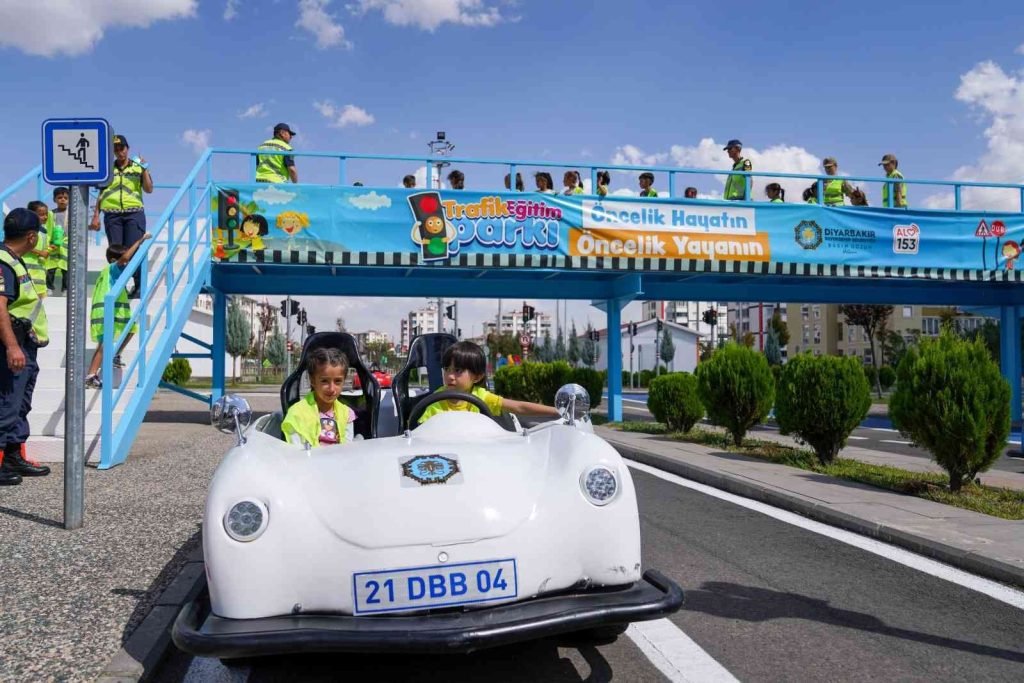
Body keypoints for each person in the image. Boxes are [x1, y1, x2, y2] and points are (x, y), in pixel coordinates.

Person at [0, 209, 51, 484]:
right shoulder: (4, 262)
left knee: (19, 405)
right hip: (13, 346)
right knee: (6, 405)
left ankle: (12, 457)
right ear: (31, 237)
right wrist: (12, 347)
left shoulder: (14, 260)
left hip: (26, 344)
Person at [418, 341, 560, 424]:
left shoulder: (482, 397)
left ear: (477, 377)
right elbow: (420, 434)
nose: (450, 376)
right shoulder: (433, 402)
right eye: (447, 369)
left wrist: (558, 412)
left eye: (458, 370)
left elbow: (519, 407)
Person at [85, 234, 151, 388]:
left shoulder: (111, 273)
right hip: (108, 312)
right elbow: (125, 259)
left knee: (131, 329)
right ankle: (91, 374)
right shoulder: (114, 269)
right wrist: (139, 241)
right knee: (105, 344)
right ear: (115, 260)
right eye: (124, 260)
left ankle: (114, 355)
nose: (127, 264)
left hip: (115, 312)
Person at [90, 134, 153, 297]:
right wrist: (96, 216)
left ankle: (138, 285)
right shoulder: (107, 170)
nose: (119, 152)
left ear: (127, 148)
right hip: (112, 215)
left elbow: (149, 189)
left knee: (135, 249)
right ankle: (119, 285)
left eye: (122, 148)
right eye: (116, 149)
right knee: (115, 251)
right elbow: (101, 194)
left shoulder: (137, 167)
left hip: (134, 213)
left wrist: (145, 168)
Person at [281, 347, 355, 447]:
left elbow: (347, 449)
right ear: (312, 380)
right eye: (324, 381)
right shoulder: (296, 414)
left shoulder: (346, 415)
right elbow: (297, 452)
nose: (331, 388)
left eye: (338, 381)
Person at [24, 201, 53, 298]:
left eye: (46, 214)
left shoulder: (44, 231)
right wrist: (40, 252)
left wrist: (50, 249)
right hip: (28, 272)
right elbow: (23, 245)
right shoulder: (28, 229)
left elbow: (44, 249)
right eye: (41, 215)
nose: (44, 217)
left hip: (40, 274)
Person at [47, 187, 68, 294]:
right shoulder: (51, 214)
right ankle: (49, 287)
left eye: (65, 197)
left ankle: (66, 289)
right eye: (59, 197)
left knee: (66, 268)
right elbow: (49, 228)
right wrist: (48, 243)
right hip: (54, 243)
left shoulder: (72, 213)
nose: (62, 200)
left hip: (66, 245)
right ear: (54, 199)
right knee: (51, 267)